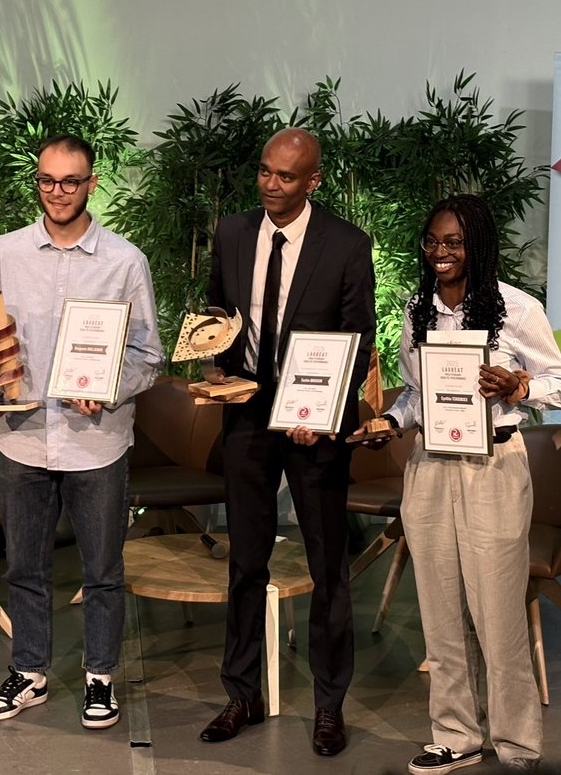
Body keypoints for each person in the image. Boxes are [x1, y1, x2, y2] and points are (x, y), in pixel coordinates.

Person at [0, 133, 163, 730]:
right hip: (21, 435)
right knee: (24, 567)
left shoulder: (124, 261)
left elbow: (148, 355)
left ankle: (99, 677)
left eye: (71, 181)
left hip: (95, 440)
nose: (58, 192)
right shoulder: (5, 252)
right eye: (48, 180)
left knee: (102, 571)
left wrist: (108, 387)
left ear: (91, 184)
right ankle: (28, 671)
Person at [375, 194, 561, 773]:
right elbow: (417, 394)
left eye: (454, 242)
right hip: (430, 466)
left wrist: (518, 386)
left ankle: (517, 745)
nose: (440, 252)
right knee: (439, 610)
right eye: (433, 241)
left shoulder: (518, 309)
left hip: (493, 466)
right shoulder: (418, 308)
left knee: (498, 612)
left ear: (477, 245)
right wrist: (389, 422)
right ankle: (456, 735)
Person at [198, 127, 376, 756]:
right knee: (245, 561)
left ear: (313, 181)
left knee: (328, 566)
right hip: (246, 416)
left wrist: (323, 412)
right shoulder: (232, 232)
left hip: (314, 425)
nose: (271, 185)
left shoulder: (347, 245)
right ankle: (241, 694)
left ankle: (329, 706)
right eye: (265, 171)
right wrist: (213, 363)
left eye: (286, 176)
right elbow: (218, 312)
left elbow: (358, 338)